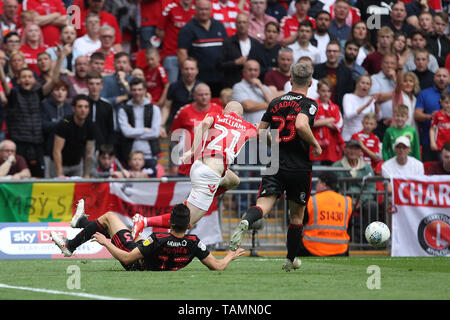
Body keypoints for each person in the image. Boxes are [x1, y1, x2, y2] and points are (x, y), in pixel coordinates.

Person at [229, 61, 322, 272]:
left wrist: (275, 144)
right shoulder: (309, 104)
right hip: (299, 166)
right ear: (309, 82)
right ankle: (290, 260)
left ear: (290, 80)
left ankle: (247, 220)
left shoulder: (275, 102)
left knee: (264, 205)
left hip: (275, 163)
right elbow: (300, 124)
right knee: (296, 217)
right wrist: (315, 145)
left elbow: (259, 132)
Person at [132, 102, 257, 238]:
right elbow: (267, 137)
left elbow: (203, 125)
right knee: (186, 222)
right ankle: (144, 221)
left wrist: (192, 151)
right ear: (241, 115)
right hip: (210, 174)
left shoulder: (216, 116)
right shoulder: (246, 126)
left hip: (199, 166)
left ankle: (200, 198)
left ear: (225, 111)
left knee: (234, 180)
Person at [51, 201, 245, 271]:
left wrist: (106, 244)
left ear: (170, 223)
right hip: (148, 259)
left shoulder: (157, 238)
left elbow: (127, 258)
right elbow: (218, 267)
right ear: (189, 225)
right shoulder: (195, 243)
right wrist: (230, 255)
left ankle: (70, 245)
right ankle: (81, 223)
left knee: (110, 218)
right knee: (109, 224)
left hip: (135, 263)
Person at [0, 43, 67, 178]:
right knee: (19, 177)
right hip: (19, 144)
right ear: (18, 80)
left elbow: (54, 80)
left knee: (39, 178)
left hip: (37, 143)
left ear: (34, 79)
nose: (27, 79)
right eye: (23, 77)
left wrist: (60, 59)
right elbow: (3, 81)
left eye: (30, 77)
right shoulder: (13, 95)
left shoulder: (38, 93)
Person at [169, 83, 223, 176]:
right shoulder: (184, 111)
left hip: (210, 160)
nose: (204, 97)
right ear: (194, 96)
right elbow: (174, 136)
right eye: (200, 95)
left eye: (206, 94)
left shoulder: (218, 110)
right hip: (187, 160)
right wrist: (174, 162)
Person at [177, 0, 228, 98]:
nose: (204, 12)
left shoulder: (219, 25)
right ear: (195, 9)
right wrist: (189, 74)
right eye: (201, 9)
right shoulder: (187, 29)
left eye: (206, 9)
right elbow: (182, 53)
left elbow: (226, 48)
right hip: (199, 79)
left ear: (211, 10)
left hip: (219, 77)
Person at [332, 140, 378, 244]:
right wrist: (349, 200)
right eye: (350, 148)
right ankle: (342, 239)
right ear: (345, 150)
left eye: (356, 149)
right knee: (341, 206)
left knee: (372, 206)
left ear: (360, 152)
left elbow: (371, 188)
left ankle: (367, 240)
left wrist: (360, 201)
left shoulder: (367, 167)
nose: (353, 151)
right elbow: (335, 188)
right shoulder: (336, 166)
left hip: (363, 199)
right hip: (344, 199)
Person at [297, 171, 352, 257]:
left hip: (312, 249)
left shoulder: (312, 201)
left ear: (323, 184)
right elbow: (349, 226)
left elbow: (298, 222)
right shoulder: (346, 201)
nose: (316, 186)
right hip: (340, 250)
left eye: (318, 182)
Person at [117, 77, 161, 176]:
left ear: (145, 90)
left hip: (150, 155)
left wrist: (133, 131)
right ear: (130, 91)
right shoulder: (124, 109)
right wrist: (145, 130)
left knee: (151, 188)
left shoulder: (154, 109)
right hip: (130, 156)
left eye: (140, 89)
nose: (137, 93)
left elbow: (155, 133)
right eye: (134, 90)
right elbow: (126, 133)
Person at [52, 94, 96, 178]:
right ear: (74, 108)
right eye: (80, 107)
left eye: (86, 107)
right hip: (59, 163)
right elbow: (56, 151)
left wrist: (86, 174)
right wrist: (60, 173)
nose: (83, 110)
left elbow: (89, 153)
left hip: (77, 164)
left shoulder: (91, 125)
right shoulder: (65, 122)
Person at [414, 68, 450, 161]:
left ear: (449, 78)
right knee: (431, 171)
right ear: (434, 78)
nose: (441, 78)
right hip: (429, 143)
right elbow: (417, 115)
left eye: (444, 76)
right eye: (438, 76)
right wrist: (430, 116)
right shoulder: (424, 93)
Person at [220, 12, 263, 89]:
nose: (242, 25)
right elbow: (220, 65)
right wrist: (235, 62)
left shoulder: (256, 43)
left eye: (244, 22)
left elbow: (262, 64)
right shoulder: (228, 42)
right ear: (235, 25)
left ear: (249, 24)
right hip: (233, 83)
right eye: (239, 22)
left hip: (254, 84)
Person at [160, 57, 200, 139]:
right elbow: (166, 108)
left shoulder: (202, 87)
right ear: (181, 70)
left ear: (197, 70)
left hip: (197, 128)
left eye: (192, 69)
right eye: (186, 69)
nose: (189, 72)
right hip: (178, 127)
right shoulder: (174, 87)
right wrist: (162, 125)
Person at [156, 0, 195, 84]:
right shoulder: (170, 8)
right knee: (171, 86)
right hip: (171, 54)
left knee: (190, 86)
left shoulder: (196, 9)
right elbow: (159, 30)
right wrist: (169, 42)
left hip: (190, 56)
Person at [41, 80, 73, 178]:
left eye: (63, 90)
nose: (60, 93)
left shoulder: (69, 108)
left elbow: (69, 122)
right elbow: (44, 124)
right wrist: (61, 124)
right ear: (51, 92)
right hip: (48, 151)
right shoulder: (45, 105)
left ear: (67, 92)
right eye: (56, 90)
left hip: (66, 153)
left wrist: (61, 123)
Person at [313, 40, 355, 112]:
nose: (332, 54)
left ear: (340, 53)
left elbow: (349, 93)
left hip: (339, 110)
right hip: (319, 110)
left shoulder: (347, 72)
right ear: (326, 53)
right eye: (329, 51)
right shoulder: (317, 69)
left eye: (335, 51)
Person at [311, 78, 344, 165]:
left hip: (331, 148)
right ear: (318, 91)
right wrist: (331, 119)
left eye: (328, 91)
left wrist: (321, 122)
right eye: (323, 91)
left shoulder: (335, 107)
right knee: (315, 175)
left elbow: (339, 126)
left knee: (331, 176)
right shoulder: (312, 105)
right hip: (316, 147)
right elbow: (311, 123)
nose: (326, 94)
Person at [341, 74, 380, 141]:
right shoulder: (348, 97)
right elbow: (348, 115)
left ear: (370, 87)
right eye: (363, 83)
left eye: (368, 84)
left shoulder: (370, 99)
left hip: (365, 138)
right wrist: (365, 105)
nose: (365, 85)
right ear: (357, 84)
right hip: (349, 136)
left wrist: (376, 105)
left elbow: (378, 118)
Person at [369, 53, 398, 140]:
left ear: (396, 66)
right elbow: (375, 98)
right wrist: (397, 92)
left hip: (397, 123)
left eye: (392, 63)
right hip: (380, 123)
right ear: (381, 65)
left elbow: (404, 96)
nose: (389, 66)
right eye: (386, 63)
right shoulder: (375, 78)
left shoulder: (399, 80)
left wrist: (396, 80)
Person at [86, 71, 114, 149]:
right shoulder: (80, 103)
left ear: (101, 85)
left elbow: (111, 129)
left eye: (97, 84)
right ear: (87, 85)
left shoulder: (107, 106)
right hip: (81, 146)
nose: (94, 87)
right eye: (91, 84)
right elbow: (67, 120)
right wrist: (63, 121)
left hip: (102, 147)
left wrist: (108, 148)